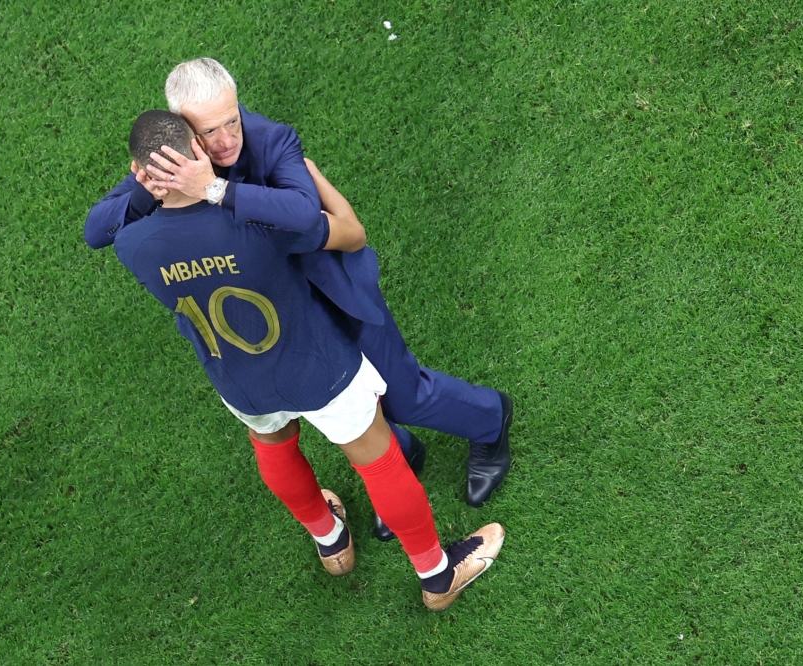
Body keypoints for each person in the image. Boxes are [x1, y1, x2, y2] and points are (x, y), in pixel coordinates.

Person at [85, 58, 512, 522]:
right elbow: (95, 230)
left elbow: (306, 215)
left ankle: (491, 418)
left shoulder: (272, 140)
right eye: (211, 131)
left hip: (330, 286)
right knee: (359, 404)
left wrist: (213, 189)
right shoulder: (174, 159)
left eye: (233, 120)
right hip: (283, 307)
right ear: (185, 133)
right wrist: (146, 194)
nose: (228, 140)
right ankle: (403, 458)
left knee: (401, 394)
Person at [113, 109, 504, 611]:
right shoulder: (258, 221)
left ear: (138, 170)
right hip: (316, 367)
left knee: (273, 447)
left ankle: (331, 544)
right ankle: (437, 576)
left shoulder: (129, 243)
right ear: (199, 152)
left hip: (237, 378)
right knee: (378, 461)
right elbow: (349, 233)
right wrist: (313, 177)